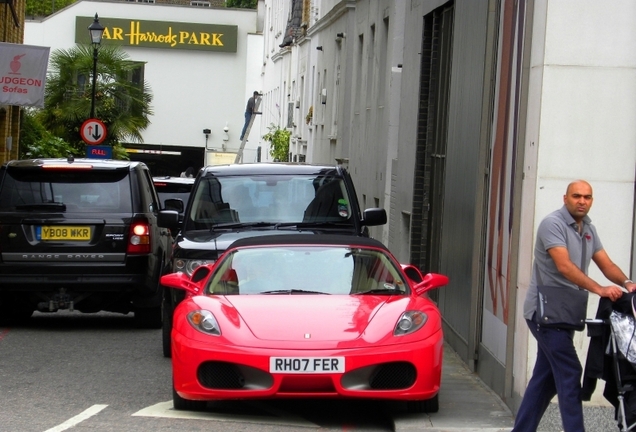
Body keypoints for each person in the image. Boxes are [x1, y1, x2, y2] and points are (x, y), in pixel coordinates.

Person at [512, 180, 636, 432]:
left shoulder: (588, 228)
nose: (582, 201)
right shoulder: (552, 224)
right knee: (570, 372)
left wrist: (627, 282)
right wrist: (599, 289)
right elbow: (564, 266)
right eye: (577, 196)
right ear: (565, 197)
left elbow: (605, 263)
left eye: (587, 197)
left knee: (545, 379)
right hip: (544, 314)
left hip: (567, 314)